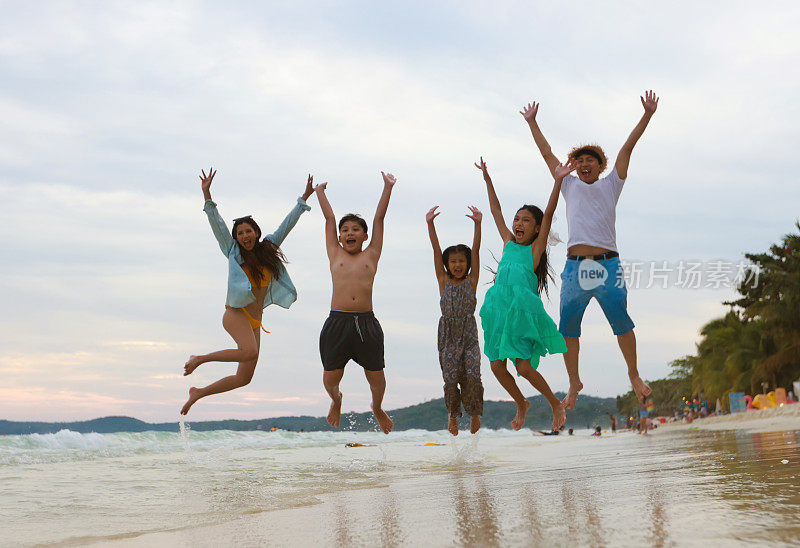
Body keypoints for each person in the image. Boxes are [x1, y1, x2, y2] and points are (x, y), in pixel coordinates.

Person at [520, 91, 659, 410]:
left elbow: (627, 148)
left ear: (600, 166)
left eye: (589, 160)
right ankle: (573, 382)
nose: (583, 164)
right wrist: (533, 122)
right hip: (575, 267)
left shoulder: (612, 184)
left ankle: (634, 376)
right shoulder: (568, 185)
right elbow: (546, 152)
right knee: (568, 326)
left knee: (622, 322)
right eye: (579, 160)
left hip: (608, 265)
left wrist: (647, 115)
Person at [181, 168, 314, 415]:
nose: (244, 236)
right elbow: (217, 223)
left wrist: (303, 200)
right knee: (249, 351)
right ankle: (199, 358)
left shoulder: (268, 249)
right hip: (235, 314)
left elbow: (287, 225)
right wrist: (207, 194)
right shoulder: (233, 252)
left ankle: (198, 393)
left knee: (244, 378)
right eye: (240, 233)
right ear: (236, 238)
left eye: (248, 231)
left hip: (255, 321)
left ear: (256, 232)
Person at [476, 156, 574, 431]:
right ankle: (521, 402)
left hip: (520, 313)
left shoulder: (534, 250)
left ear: (536, 228)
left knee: (524, 368)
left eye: (526, 220)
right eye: (517, 219)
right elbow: (495, 210)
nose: (518, 223)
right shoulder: (508, 242)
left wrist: (558, 181)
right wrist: (487, 179)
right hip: (498, 310)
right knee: (496, 367)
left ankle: (554, 403)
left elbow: (551, 211)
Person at [314, 172, 396, 434]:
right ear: (339, 237)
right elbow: (328, 218)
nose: (350, 233)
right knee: (330, 379)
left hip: (366, 323)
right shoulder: (334, 252)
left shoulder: (372, 254)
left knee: (377, 379)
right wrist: (320, 193)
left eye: (355, 230)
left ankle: (377, 407)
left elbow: (380, 218)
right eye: (345, 230)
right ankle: (336, 399)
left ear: (365, 236)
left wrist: (387, 187)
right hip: (337, 322)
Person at [426, 204, 485, 435]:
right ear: (447, 264)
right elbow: (435, 250)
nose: (457, 265)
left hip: (469, 335)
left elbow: (477, 250)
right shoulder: (443, 281)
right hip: (448, 335)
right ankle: (452, 415)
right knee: (450, 379)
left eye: (461, 261)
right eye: (453, 261)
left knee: (473, 375)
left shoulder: (472, 281)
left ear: (467, 263)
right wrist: (430, 224)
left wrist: (478, 225)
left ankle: (475, 413)